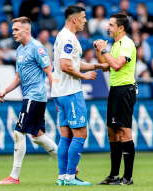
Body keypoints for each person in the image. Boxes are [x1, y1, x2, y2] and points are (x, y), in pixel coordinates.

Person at [0, 17, 58, 185]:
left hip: (35, 96)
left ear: (27, 30)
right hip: (30, 96)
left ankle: (14, 177)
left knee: (18, 133)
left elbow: (50, 72)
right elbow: (18, 78)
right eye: (13, 29)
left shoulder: (37, 48)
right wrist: (5, 90)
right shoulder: (19, 50)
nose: (13, 32)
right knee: (37, 136)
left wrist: (56, 95)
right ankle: (68, 165)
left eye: (16, 29)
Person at [51, 5, 109, 186]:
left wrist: (96, 66)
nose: (85, 20)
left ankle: (62, 177)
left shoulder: (61, 36)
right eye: (83, 17)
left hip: (59, 92)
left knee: (66, 136)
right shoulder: (69, 38)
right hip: (70, 92)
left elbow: (73, 63)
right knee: (81, 133)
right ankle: (70, 177)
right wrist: (83, 76)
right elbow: (65, 65)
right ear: (74, 19)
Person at [94, 13, 137, 185]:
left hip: (125, 90)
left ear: (121, 28)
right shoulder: (116, 44)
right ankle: (113, 175)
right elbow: (107, 67)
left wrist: (104, 50)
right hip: (115, 90)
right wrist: (99, 51)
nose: (107, 27)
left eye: (111, 25)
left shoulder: (127, 43)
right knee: (112, 132)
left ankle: (127, 177)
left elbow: (118, 65)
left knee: (124, 131)